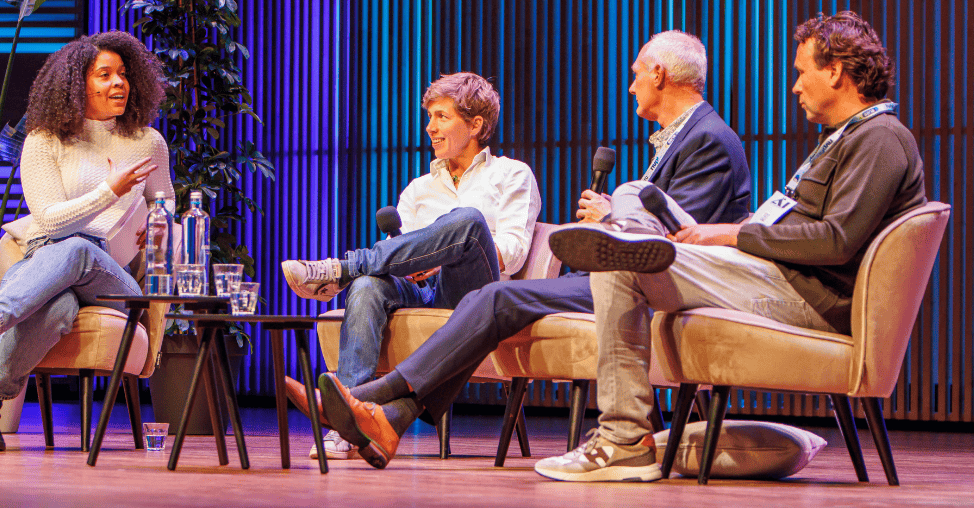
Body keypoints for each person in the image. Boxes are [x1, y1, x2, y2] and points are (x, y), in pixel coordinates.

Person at [291, 31, 753, 470]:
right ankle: (387, 421)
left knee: (486, 274)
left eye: (635, 74)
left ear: (659, 74)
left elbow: (677, 240)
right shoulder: (684, 138)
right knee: (409, 289)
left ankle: (366, 391)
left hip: (649, 286)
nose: (631, 86)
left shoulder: (708, 139)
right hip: (612, 280)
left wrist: (611, 217)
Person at [531, 10, 926, 482]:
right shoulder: (845, 138)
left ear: (836, 72)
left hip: (808, 295)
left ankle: (623, 440)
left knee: (621, 265)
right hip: (777, 273)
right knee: (634, 193)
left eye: (802, 72)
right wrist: (735, 233)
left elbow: (836, 241)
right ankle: (632, 233)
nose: (795, 86)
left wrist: (731, 234)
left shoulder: (880, 138)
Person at [281, 72, 542, 460]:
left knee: (468, 221)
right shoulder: (420, 188)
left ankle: (344, 268)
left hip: (478, 293)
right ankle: (348, 417)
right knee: (368, 284)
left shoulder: (511, 174)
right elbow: (400, 252)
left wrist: (443, 256)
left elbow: (514, 250)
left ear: (475, 125)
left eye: (441, 117)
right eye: (429, 117)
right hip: (423, 294)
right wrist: (414, 266)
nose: (430, 127)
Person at [0, 32, 172, 452]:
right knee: (59, 304)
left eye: (123, 74)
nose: (119, 82)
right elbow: (48, 220)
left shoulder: (148, 142)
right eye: (104, 75)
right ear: (76, 83)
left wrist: (161, 222)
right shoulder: (44, 140)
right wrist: (110, 191)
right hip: (48, 260)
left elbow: (165, 199)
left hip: (111, 280)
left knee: (81, 249)